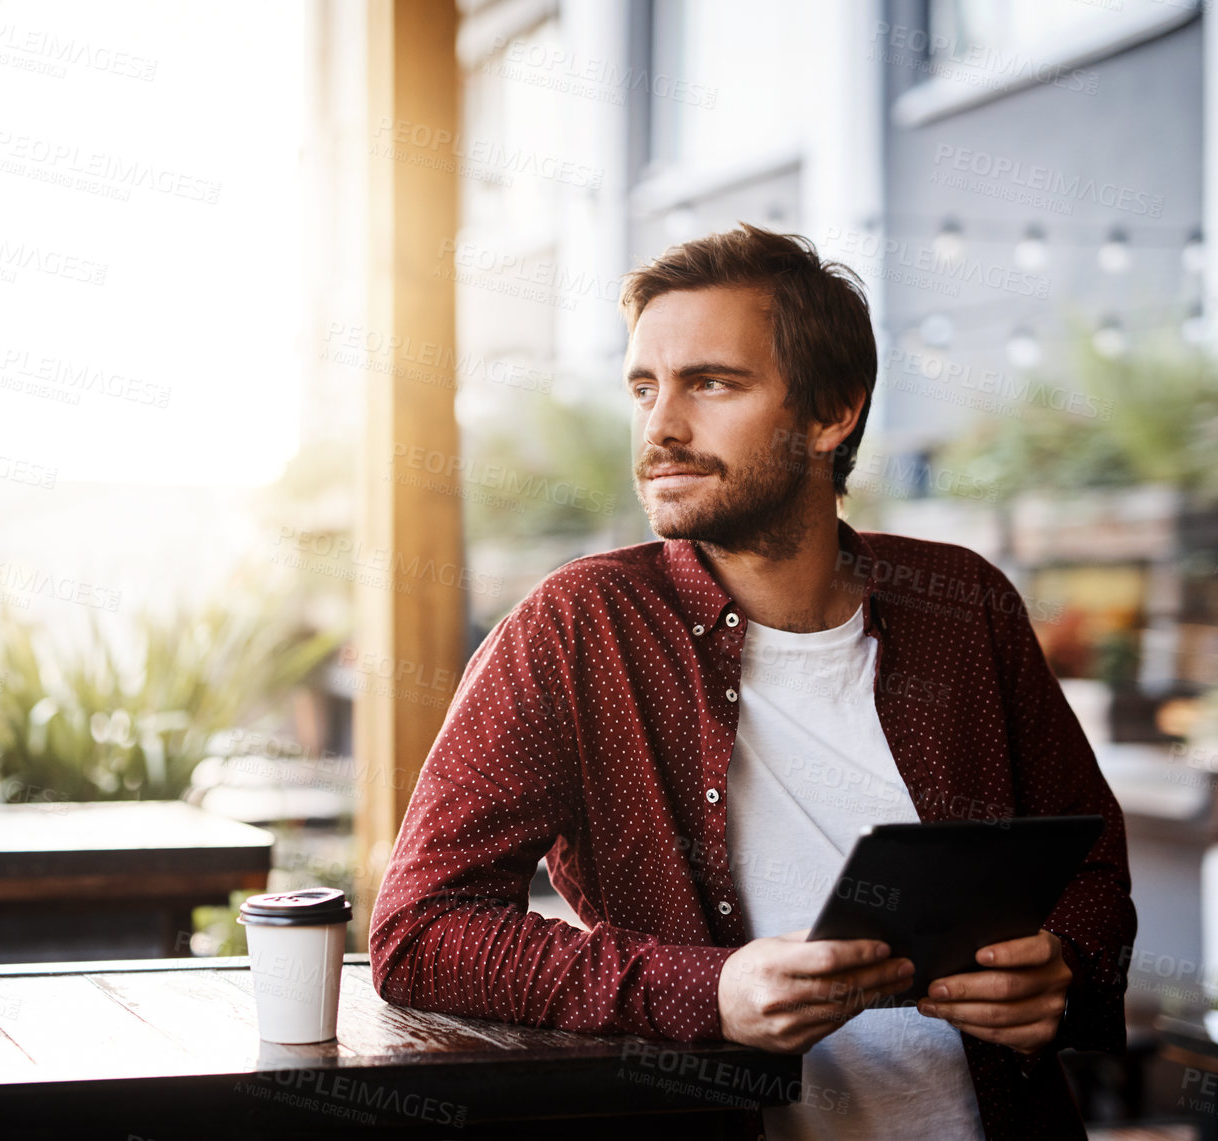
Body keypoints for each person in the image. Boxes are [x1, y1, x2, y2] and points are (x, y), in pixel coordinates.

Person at [368, 223, 1135, 1140]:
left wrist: (1063, 968)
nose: (661, 426)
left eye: (712, 383)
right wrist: (709, 989)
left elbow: (1088, 869)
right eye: (644, 387)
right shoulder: (578, 626)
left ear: (830, 413)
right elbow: (421, 931)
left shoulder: (962, 602)